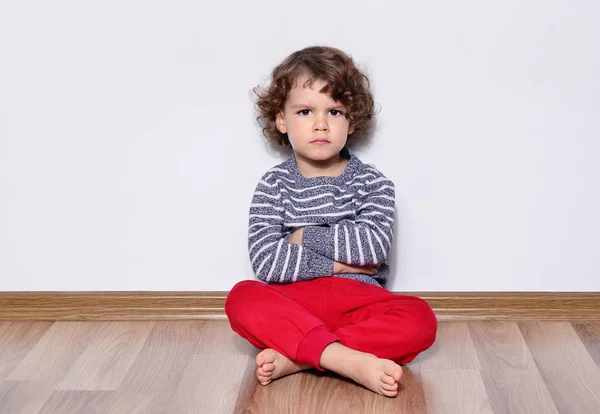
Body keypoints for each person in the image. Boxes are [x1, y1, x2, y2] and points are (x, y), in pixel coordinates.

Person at [225, 46, 437, 398]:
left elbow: (372, 246)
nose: (320, 123)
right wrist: (339, 263)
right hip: (294, 304)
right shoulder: (273, 185)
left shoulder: (373, 183)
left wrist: (302, 234)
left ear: (350, 120)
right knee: (242, 298)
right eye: (305, 111)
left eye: (334, 111)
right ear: (281, 119)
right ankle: (349, 360)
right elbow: (266, 261)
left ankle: (304, 356)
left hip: (358, 301)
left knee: (421, 319)